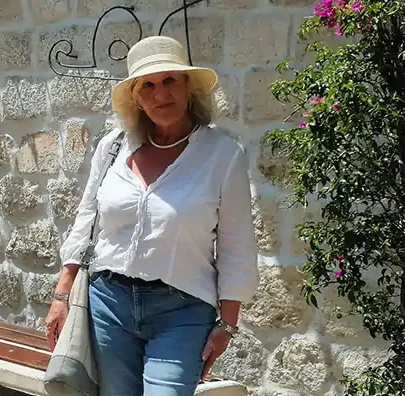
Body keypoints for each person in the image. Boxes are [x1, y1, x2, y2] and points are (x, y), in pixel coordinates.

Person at [44, 36, 260, 396]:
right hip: (108, 304)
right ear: (136, 98)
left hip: (182, 311)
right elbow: (86, 219)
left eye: (170, 80)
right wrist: (62, 294)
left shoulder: (222, 154)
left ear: (188, 86)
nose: (161, 94)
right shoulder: (113, 147)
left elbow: (236, 244)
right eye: (148, 85)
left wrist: (228, 323)